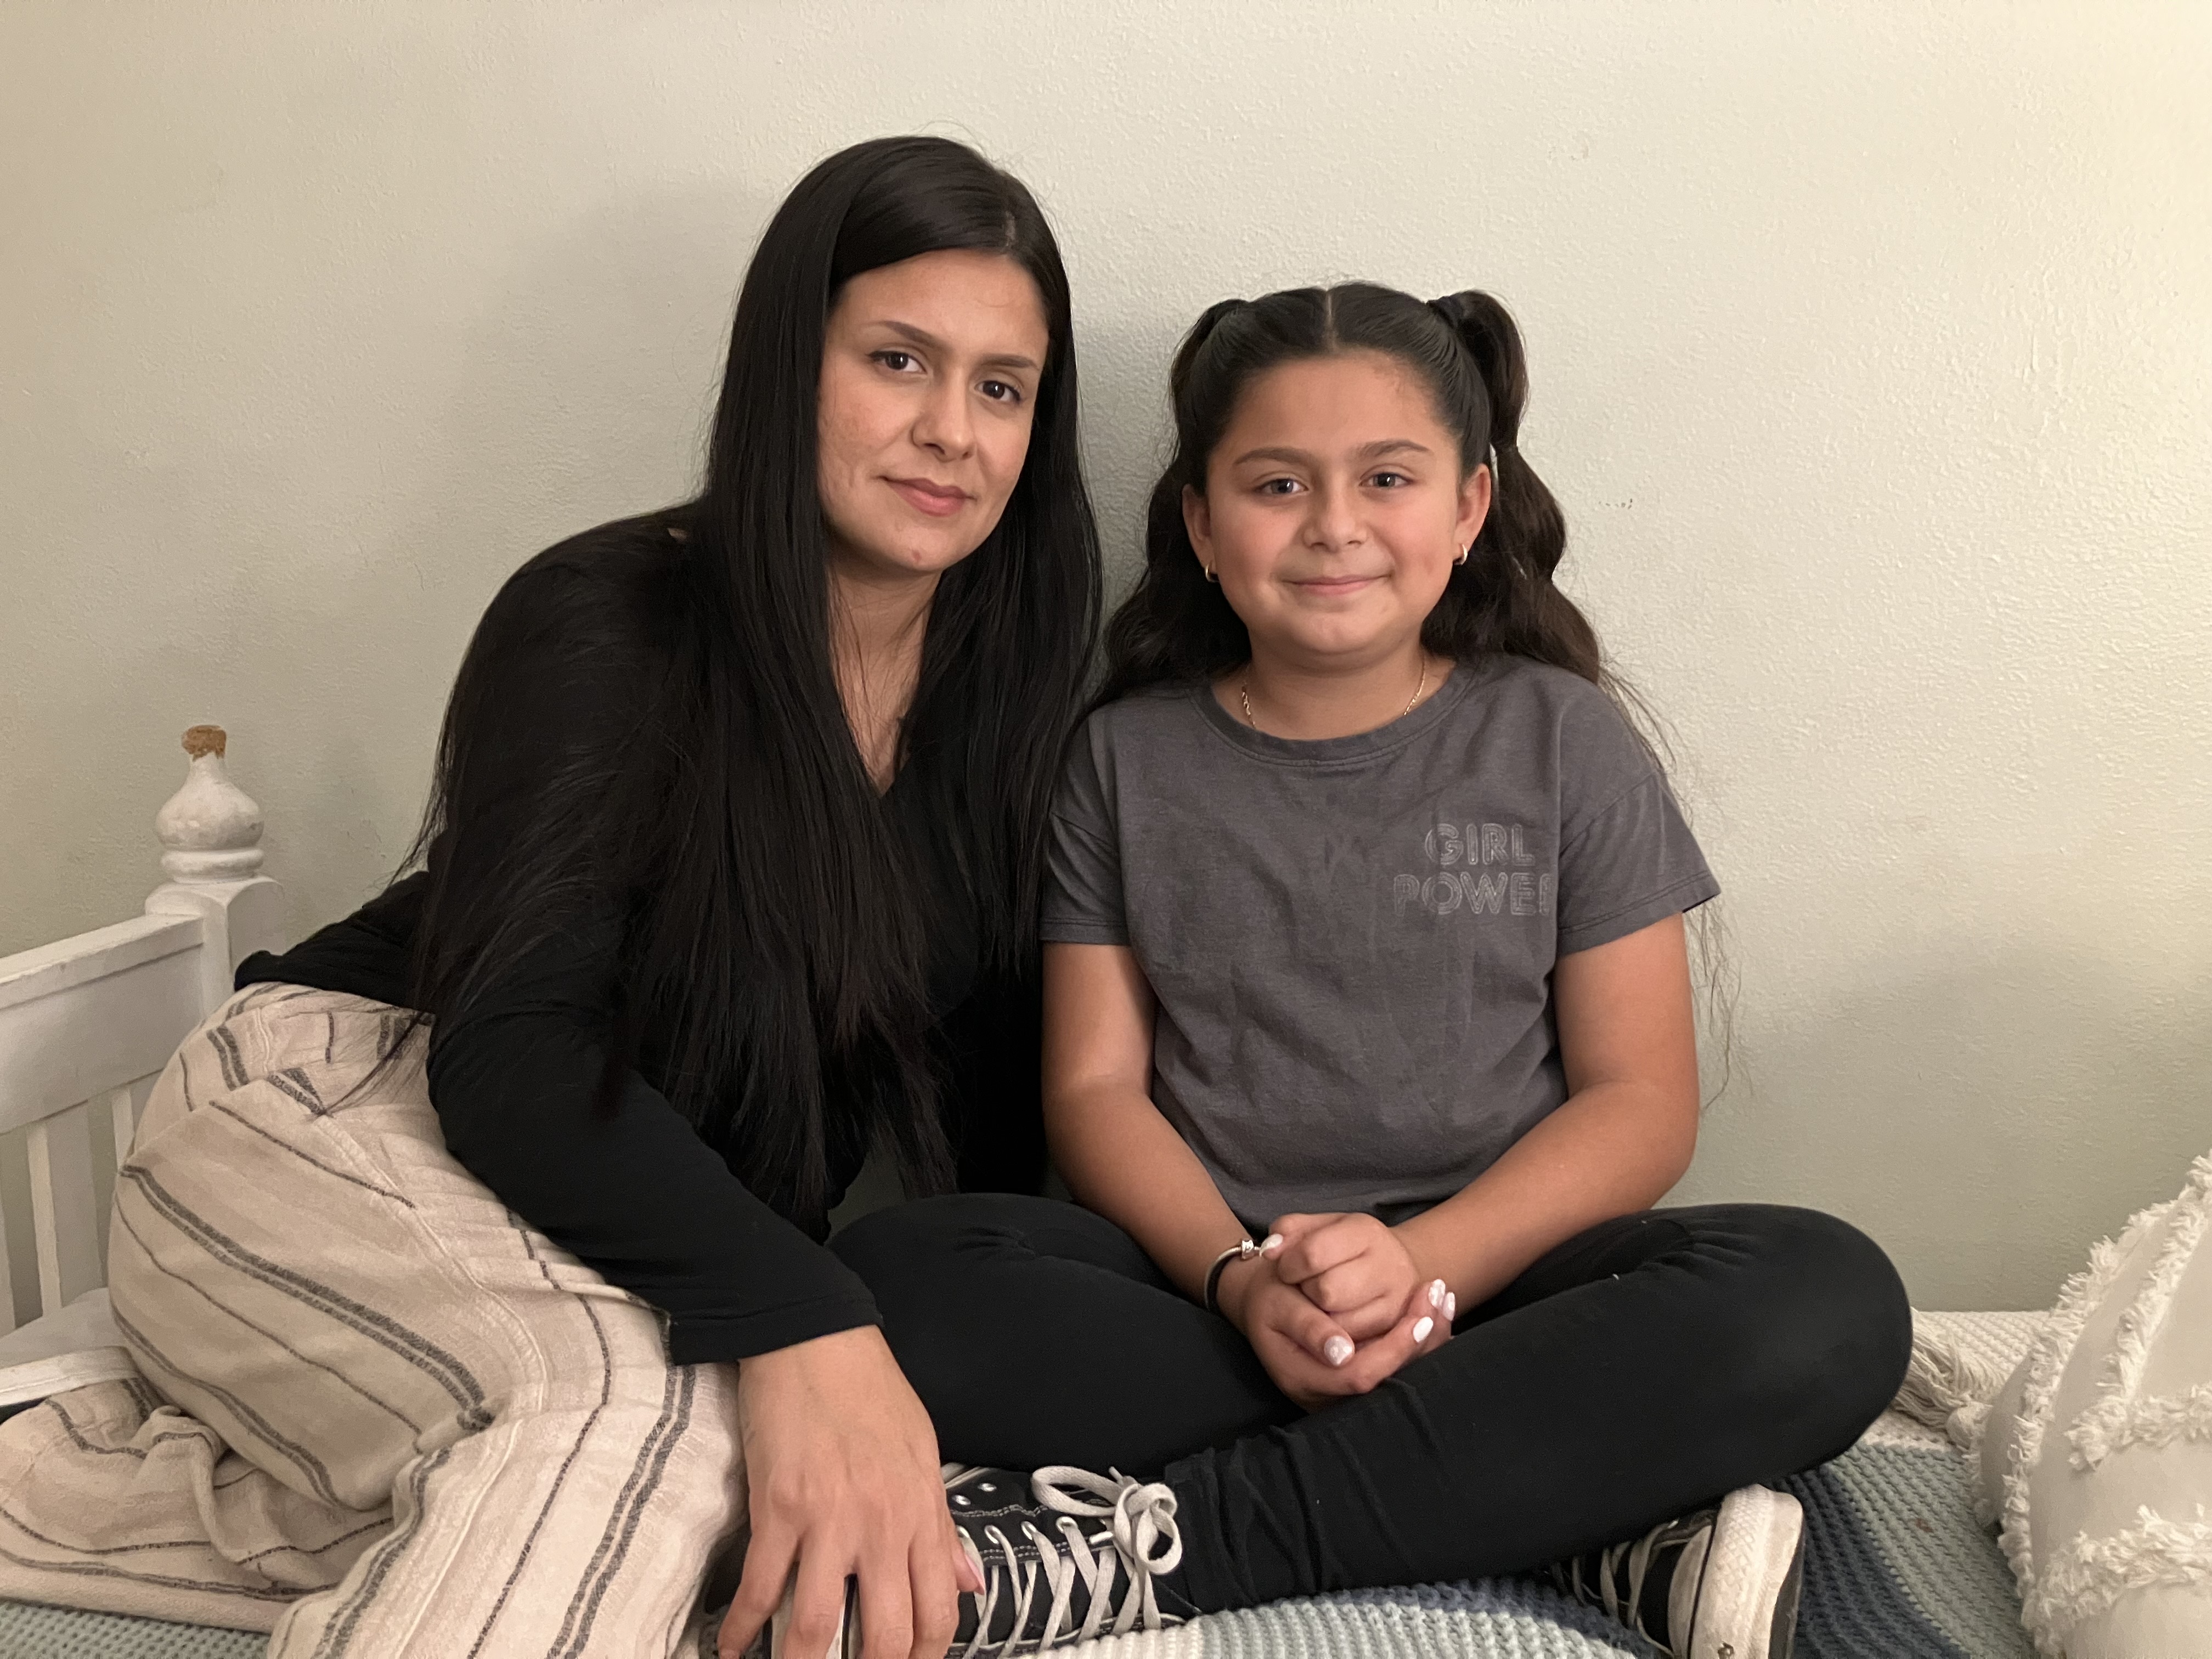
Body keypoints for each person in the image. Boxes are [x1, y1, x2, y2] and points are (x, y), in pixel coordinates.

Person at [0, 135, 1098, 1659]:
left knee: (738, 1480)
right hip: (332, 1106)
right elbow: (513, 1049)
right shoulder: (616, 617)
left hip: (577, 1213)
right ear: (790, 364)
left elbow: (988, 1119)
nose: (950, 431)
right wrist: (808, 1311)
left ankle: (52, 1485)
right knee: (645, 1418)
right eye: (897, 360)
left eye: (1003, 388)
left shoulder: (1002, 718)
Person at [834, 283, 1914, 1659]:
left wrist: (1421, 1267)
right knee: (894, 1277)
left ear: (1468, 509)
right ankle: (1577, 1525)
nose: (1334, 525)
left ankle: (1183, 1542)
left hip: (1504, 1300)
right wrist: (1242, 1282)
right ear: (1202, 527)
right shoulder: (1123, 759)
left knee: (1826, 1297)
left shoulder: (1561, 740)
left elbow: (1641, 1101)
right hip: (1216, 1297)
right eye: (1277, 484)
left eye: (1386, 480)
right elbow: (1095, 1093)